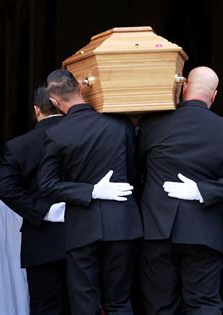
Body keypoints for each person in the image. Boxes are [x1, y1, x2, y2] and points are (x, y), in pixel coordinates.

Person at [137, 66, 223, 314]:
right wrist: (201, 190)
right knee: (203, 305)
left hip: (157, 231)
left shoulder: (151, 124)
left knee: (160, 306)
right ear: (214, 95)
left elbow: (134, 169)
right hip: (202, 232)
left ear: (184, 87)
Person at [39, 69, 143, 315]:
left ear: (54, 102)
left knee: (84, 303)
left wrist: (90, 192)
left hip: (82, 229)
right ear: (81, 88)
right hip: (122, 224)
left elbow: (47, 184)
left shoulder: (56, 133)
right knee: (119, 302)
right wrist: (98, 190)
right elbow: (133, 171)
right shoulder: (121, 124)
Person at [0, 86, 69, 314]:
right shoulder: (82, 136)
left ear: (36, 110)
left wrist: (44, 211)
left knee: (45, 308)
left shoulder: (19, 145)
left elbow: (6, 189)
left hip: (41, 241)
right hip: (82, 237)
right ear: (61, 104)